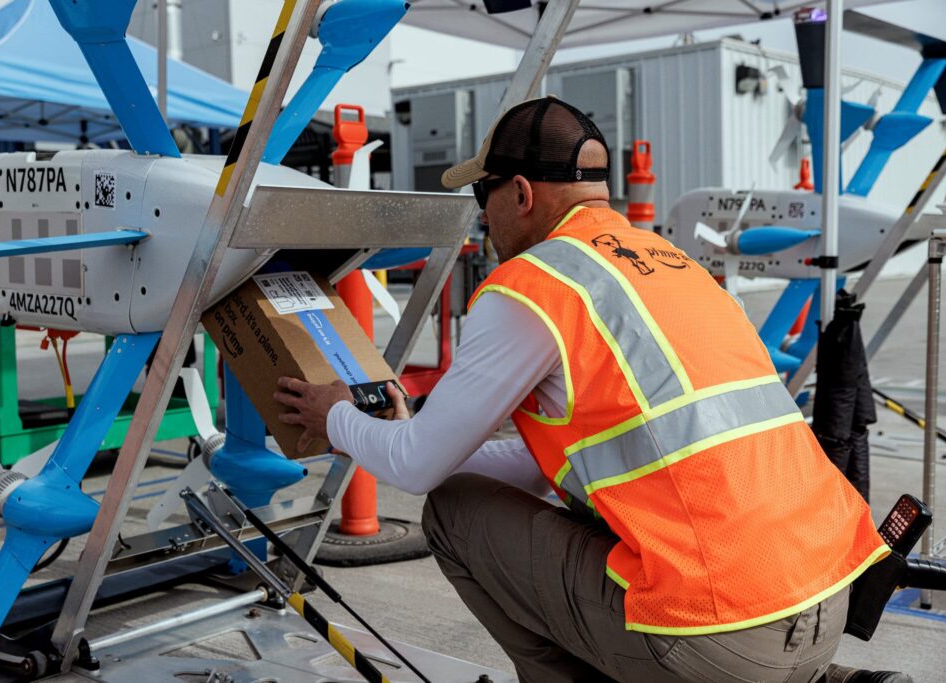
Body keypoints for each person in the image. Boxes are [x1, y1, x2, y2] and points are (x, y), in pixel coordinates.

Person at [273, 97, 903, 683]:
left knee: (453, 510)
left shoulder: (535, 285)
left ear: (518, 193)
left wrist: (337, 418)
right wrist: (418, 435)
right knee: (495, 489)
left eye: (480, 195)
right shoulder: (672, 263)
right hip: (825, 605)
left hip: (720, 634)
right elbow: (572, 458)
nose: (480, 216)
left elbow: (416, 467)